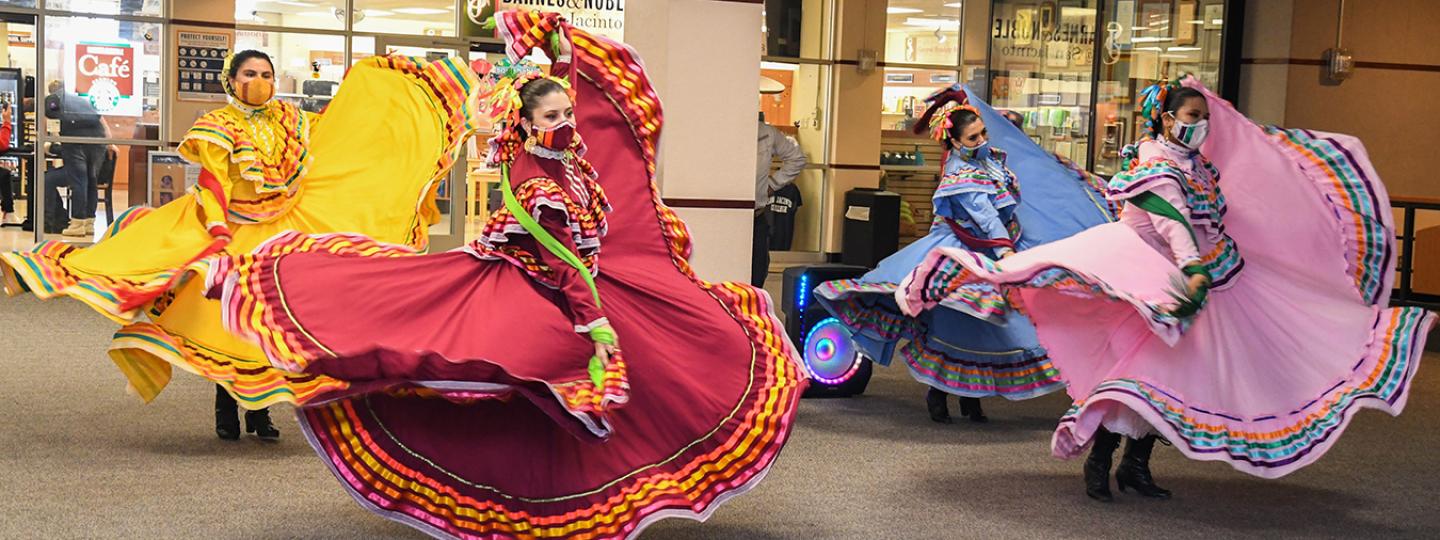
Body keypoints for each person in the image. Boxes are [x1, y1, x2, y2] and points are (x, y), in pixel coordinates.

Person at [209, 11, 805, 538]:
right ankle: (528, 502)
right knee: (513, 369)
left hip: (576, 281)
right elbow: (563, 260)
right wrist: (593, 321)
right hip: (540, 288)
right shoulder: (536, 178)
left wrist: (555, 44)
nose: (567, 119)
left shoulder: (562, 153)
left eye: (566, 110)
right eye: (554, 114)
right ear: (526, 121)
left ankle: (557, 500)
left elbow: (592, 137)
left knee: (672, 361)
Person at [898, 77, 1434, 499]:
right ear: (1166, 118)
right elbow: (1172, 220)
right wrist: (1193, 267)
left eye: (1203, 117)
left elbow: (1210, 219)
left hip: (1196, 279)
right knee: (1140, 373)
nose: (1199, 125)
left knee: (1181, 378)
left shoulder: (1196, 165)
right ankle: (1100, 459)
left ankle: (1135, 466)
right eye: (1190, 117)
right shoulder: (1154, 164)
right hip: (1148, 279)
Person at [0, 50, 484, 441]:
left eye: (267, 74)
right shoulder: (218, 126)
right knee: (224, 320)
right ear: (231, 81)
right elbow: (212, 184)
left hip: (289, 226)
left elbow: (340, 137)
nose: (260, 80)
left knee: (277, 318)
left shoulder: (291, 119)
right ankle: (227, 406)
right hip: (233, 227)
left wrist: (382, 92)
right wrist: (215, 231)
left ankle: (262, 412)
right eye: (250, 73)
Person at [813, 85, 1112, 423]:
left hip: (988, 247)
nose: (982, 140)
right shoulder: (961, 174)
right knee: (956, 322)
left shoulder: (987, 160)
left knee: (989, 327)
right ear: (954, 142)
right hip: (960, 250)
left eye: (983, 133)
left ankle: (969, 396)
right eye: (973, 138)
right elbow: (984, 215)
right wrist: (1004, 250)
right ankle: (940, 392)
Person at [42, 80, 108, 238]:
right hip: (98, 140)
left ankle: (76, 223)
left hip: (76, 140)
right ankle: (88, 223)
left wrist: (49, 144)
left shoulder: (55, 98)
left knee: (79, 180)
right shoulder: (81, 100)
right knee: (91, 180)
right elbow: (99, 118)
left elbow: (50, 111)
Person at [754, 113, 806, 286]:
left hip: (756, 216)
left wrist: (772, 185)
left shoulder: (767, 133)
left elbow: (797, 158)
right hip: (726, 218)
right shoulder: (722, 131)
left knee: (757, 273)